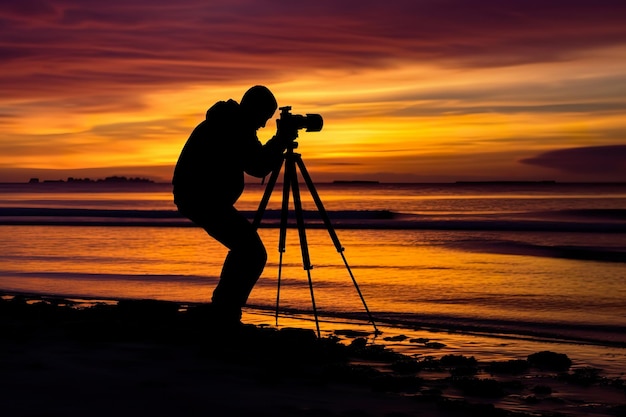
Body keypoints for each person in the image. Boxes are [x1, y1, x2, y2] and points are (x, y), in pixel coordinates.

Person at [172, 85, 297, 327]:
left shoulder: (231, 122)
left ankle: (223, 309)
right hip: (201, 198)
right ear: (253, 109)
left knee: (245, 249)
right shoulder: (233, 126)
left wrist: (277, 142)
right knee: (252, 252)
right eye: (263, 118)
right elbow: (257, 165)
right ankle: (224, 311)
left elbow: (254, 159)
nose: (262, 125)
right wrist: (281, 139)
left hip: (202, 197)